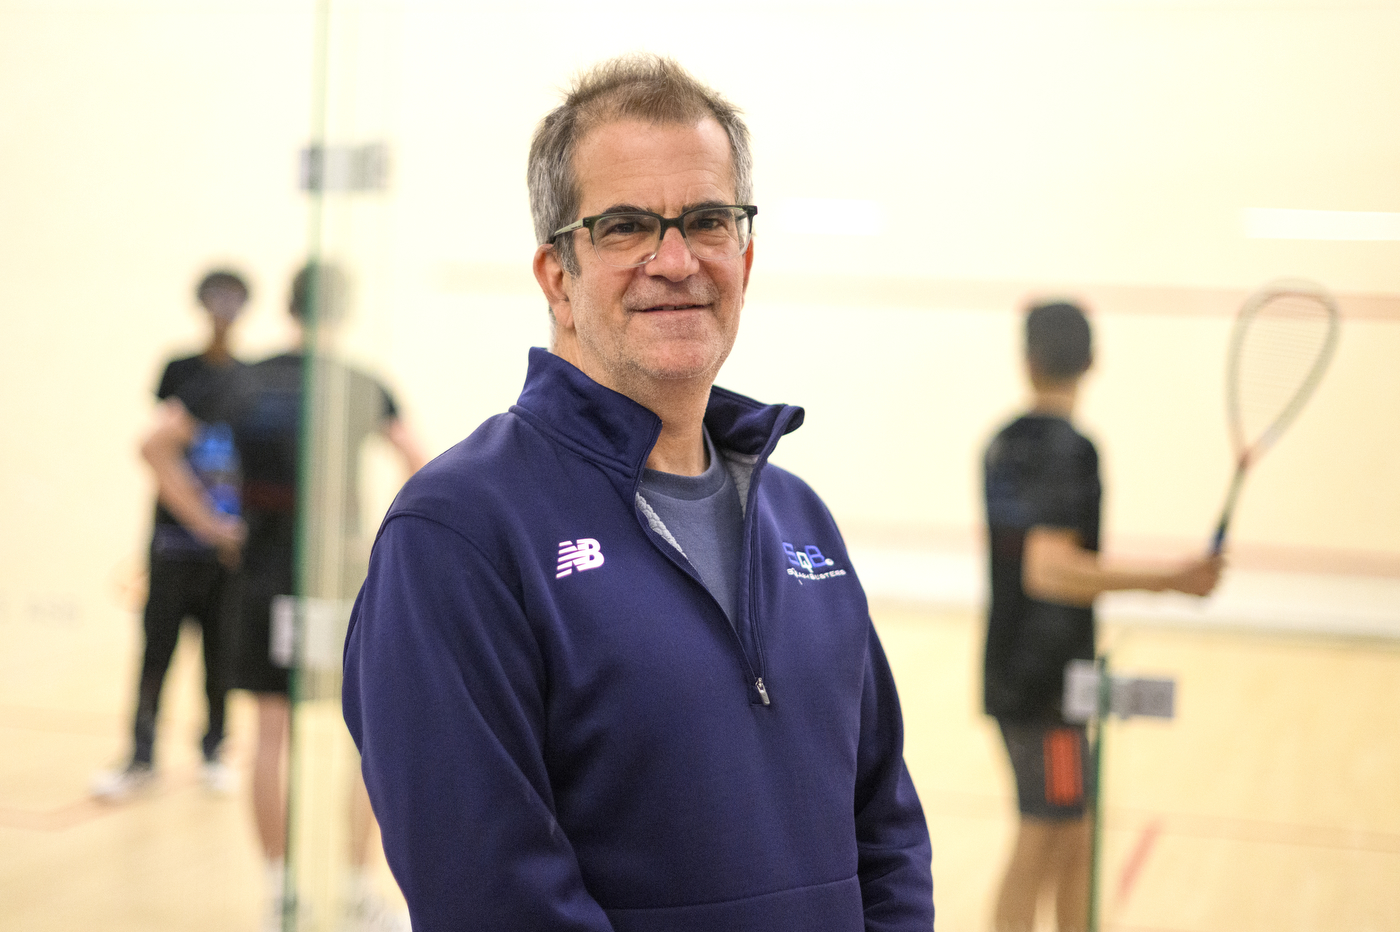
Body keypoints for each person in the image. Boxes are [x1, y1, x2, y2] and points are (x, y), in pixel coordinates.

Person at [342, 54, 935, 932]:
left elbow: (887, 837)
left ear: (746, 253)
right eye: (624, 227)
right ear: (557, 276)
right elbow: (492, 901)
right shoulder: (456, 534)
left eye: (706, 220)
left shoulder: (800, 518)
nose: (674, 259)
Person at [142, 261, 427, 932]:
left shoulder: (240, 379)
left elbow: (154, 446)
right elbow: (421, 461)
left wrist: (212, 524)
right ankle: (356, 890)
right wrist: (380, 541)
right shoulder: (360, 383)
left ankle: (281, 894)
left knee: (269, 732)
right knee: (363, 737)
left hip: (264, 574)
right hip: (334, 581)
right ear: (342, 309)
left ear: (288, 307)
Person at [982, 300, 1223, 932]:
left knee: (1072, 831)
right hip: (1048, 686)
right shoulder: (1069, 450)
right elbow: (1050, 568)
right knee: (1045, 832)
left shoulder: (1003, 444)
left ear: (1026, 359)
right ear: (1092, 360)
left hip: (1021, 671)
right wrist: (1172, 581)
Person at [93, 268, 250, 801]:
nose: (224, 309)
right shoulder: (180, 370)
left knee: (221, 655)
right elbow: (157, 448)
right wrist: (204, 520)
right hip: (172, 546)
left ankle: (213, 751)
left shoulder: (250, 378)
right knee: (156, 653)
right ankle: (139, 757)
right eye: (217, 299)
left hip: (228, 553)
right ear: (202, 304)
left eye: (235, 299)